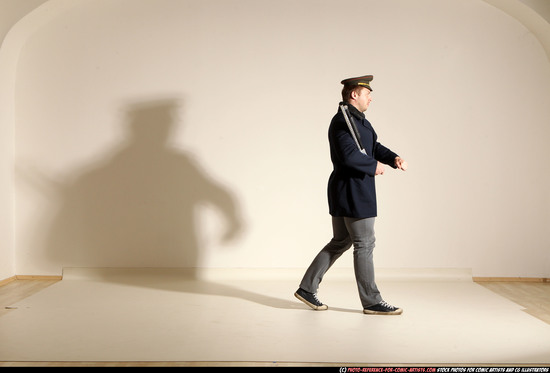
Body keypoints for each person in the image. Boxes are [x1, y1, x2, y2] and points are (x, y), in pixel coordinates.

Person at [294, 75, 407, 315]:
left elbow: (373, 147)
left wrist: (393, 158)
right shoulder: (343, 120)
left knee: (341, 241)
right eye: (367, 94)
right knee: (364, 244)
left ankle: (306, 288)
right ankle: (372, 301)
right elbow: (348, 156)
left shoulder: (359, 121)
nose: (370, 98)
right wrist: (372, 166)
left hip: (348, 189)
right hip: (353, 189)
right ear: (354, 94)